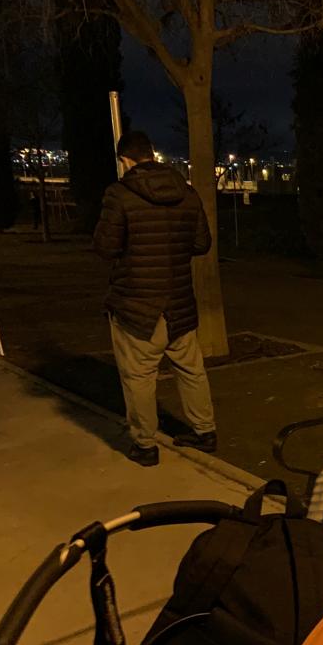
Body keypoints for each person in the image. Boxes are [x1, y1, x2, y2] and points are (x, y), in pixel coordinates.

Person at [92, 130, 217, 467]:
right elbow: (201, 244)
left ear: (125, 160)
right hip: (178, 302)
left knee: (139, 376)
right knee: (191, 369)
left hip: (136, 305)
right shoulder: (187, 193)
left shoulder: (119, 194)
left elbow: (105, 247)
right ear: (152, 154)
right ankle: (205, 432)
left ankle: (145, 445)